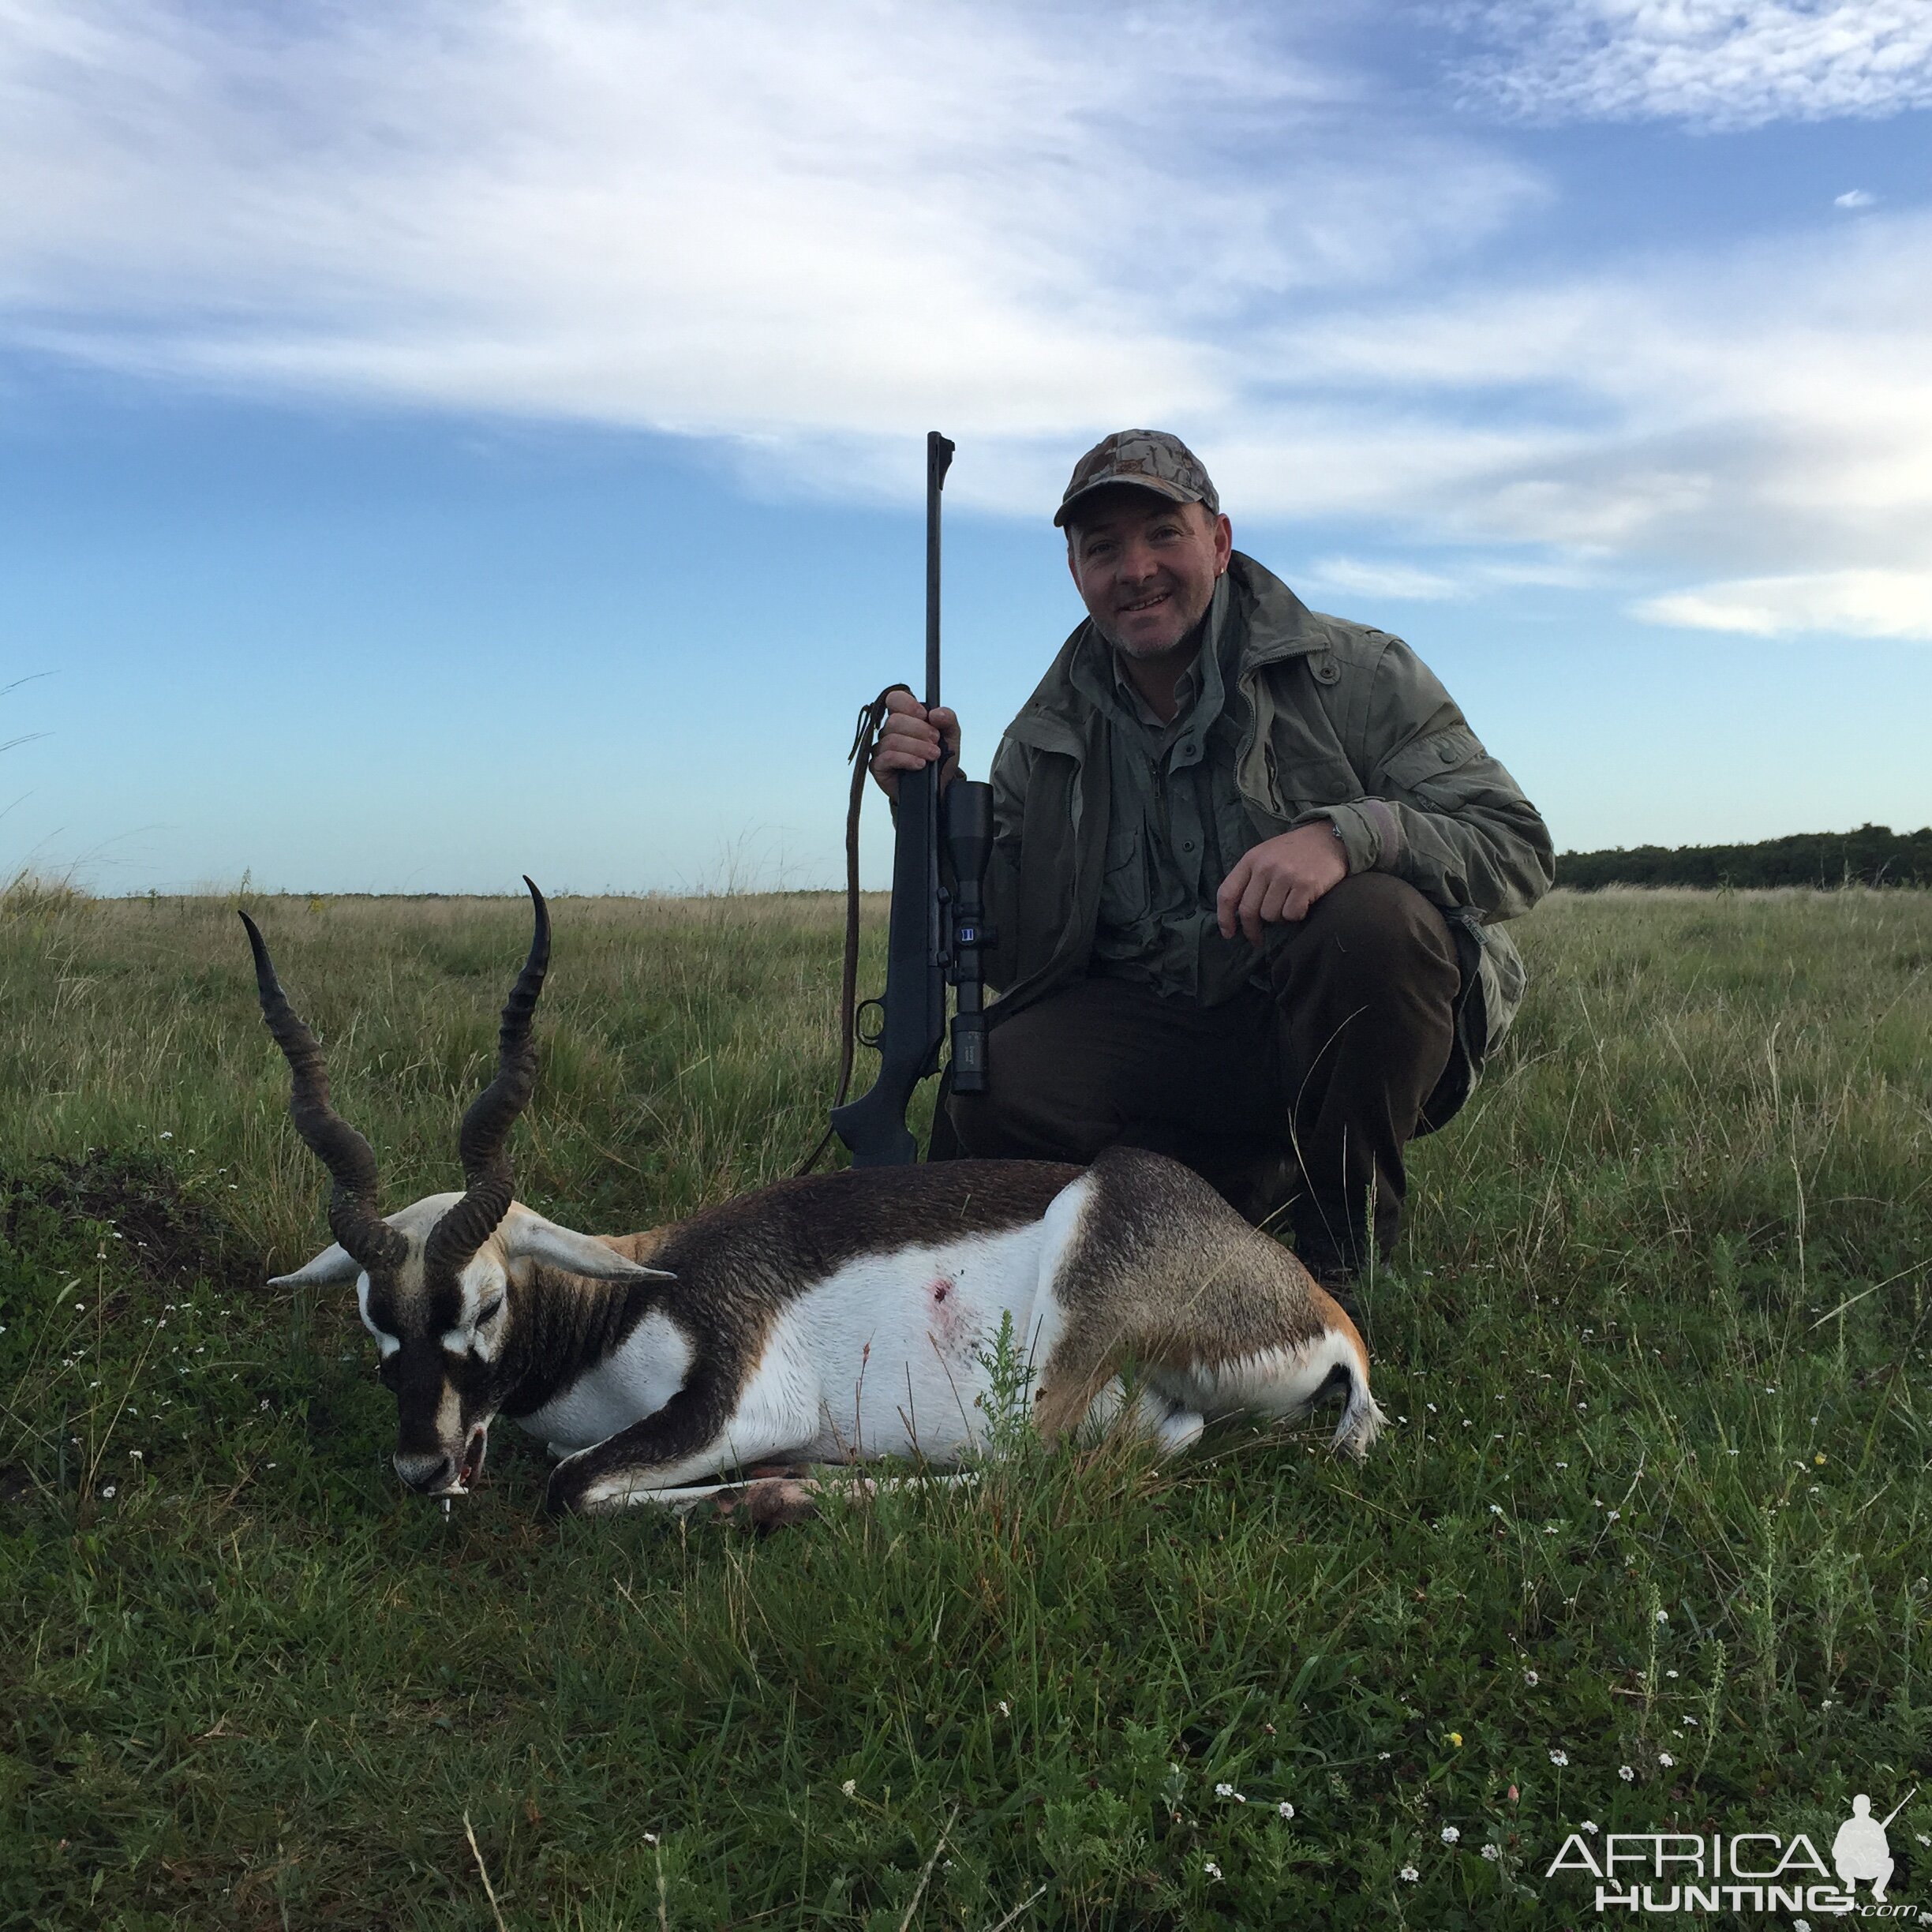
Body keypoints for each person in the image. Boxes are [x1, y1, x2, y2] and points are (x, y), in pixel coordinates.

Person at [870, 429, 1552, 1293]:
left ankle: (1342, 1262)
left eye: (1164, 534)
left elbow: (1517, 847)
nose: (1136, 569)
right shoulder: (1045, 737)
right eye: (1103, 548)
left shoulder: (1359, 674)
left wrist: (1348, 837)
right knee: (989, 1077)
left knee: (1372, 926)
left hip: (1326, 1029)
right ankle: (1174, 1224)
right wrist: (931, 812)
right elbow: (1012, 953)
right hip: (1171, 1039)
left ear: (1219, 544)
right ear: (1076, 573)